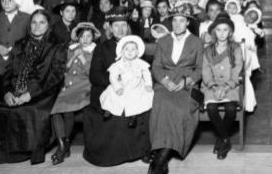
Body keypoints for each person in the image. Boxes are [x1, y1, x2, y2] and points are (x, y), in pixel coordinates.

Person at [0, 10, 66, 168]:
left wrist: (30, 94)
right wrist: (6, 93)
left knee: (29, 111)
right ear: (29, 24)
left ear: (48, 25)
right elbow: (8, 71)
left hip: (42, 90)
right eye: (34, 22)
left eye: (42, 22)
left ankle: (23, 152)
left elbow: (56, 75)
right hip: (15, 87)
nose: (37, 26)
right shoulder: (20, 44)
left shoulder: (57, 45)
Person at [83, 6, 153, 167]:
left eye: (123, 25)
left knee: (139, 107)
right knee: (115, 114)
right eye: (116, 25)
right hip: (110, 87)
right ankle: (111, 155)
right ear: (110, 27)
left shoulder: (134, 46)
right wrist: (115, 80)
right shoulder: (102, 47)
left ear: (128, 27)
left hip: (134, 89)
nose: (120, 29)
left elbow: (144, 70)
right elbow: (94, 75)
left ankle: (140, 151)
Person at [148, 11, 205, 174]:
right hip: (164, 84)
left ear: (187, 23)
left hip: (187, 84)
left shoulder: (197, 42)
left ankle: (159, 160)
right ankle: (161, 160)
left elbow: (200, 69)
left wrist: (186, 82)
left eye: (182, 21)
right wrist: (165, 81)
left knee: (181, 111)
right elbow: (156, 66)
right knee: (161, 106)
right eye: (174, 21)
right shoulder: (163, 41)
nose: (178, 24)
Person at [50, 22, 100, 165]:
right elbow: (64, 69)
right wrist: (73, 57)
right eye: (82, 36)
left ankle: (63, 147)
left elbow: (92, 73)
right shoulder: (71, 49)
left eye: (88, 36)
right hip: (68, 87)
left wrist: (83, 57)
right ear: (77, 38)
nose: (85, 39)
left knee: (68, 109)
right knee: (56, 111)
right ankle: (63, 146)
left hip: (84, 87)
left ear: (93, 38)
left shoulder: (95, 51)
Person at [202, 16, 243, 160]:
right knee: (212, 109)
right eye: (218, 30)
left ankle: (221, 139)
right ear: (214, 32)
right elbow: (206, 72)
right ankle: (225, 140)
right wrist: (214, 88)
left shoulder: (236, 49)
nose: (221, 33)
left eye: (225, 30)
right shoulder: (208, 50)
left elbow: (238, 70)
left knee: (231, 109)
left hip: (230, 86)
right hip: (212, 87)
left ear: (230, 32)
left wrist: (226, 88)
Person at [100, 35, 154, 128]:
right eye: (126, 49)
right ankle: (108, 110)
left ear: (137, 52)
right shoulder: (118, 64)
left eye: (133, 49)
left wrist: (148, 85)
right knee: (111, 93)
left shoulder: (141, 64)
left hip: (136, 85)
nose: (129, 51)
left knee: (137, 97)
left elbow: (147, 75)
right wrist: (117, 87)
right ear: (122, 52)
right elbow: (113, 77)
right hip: (123, 85)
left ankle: (133, 116)